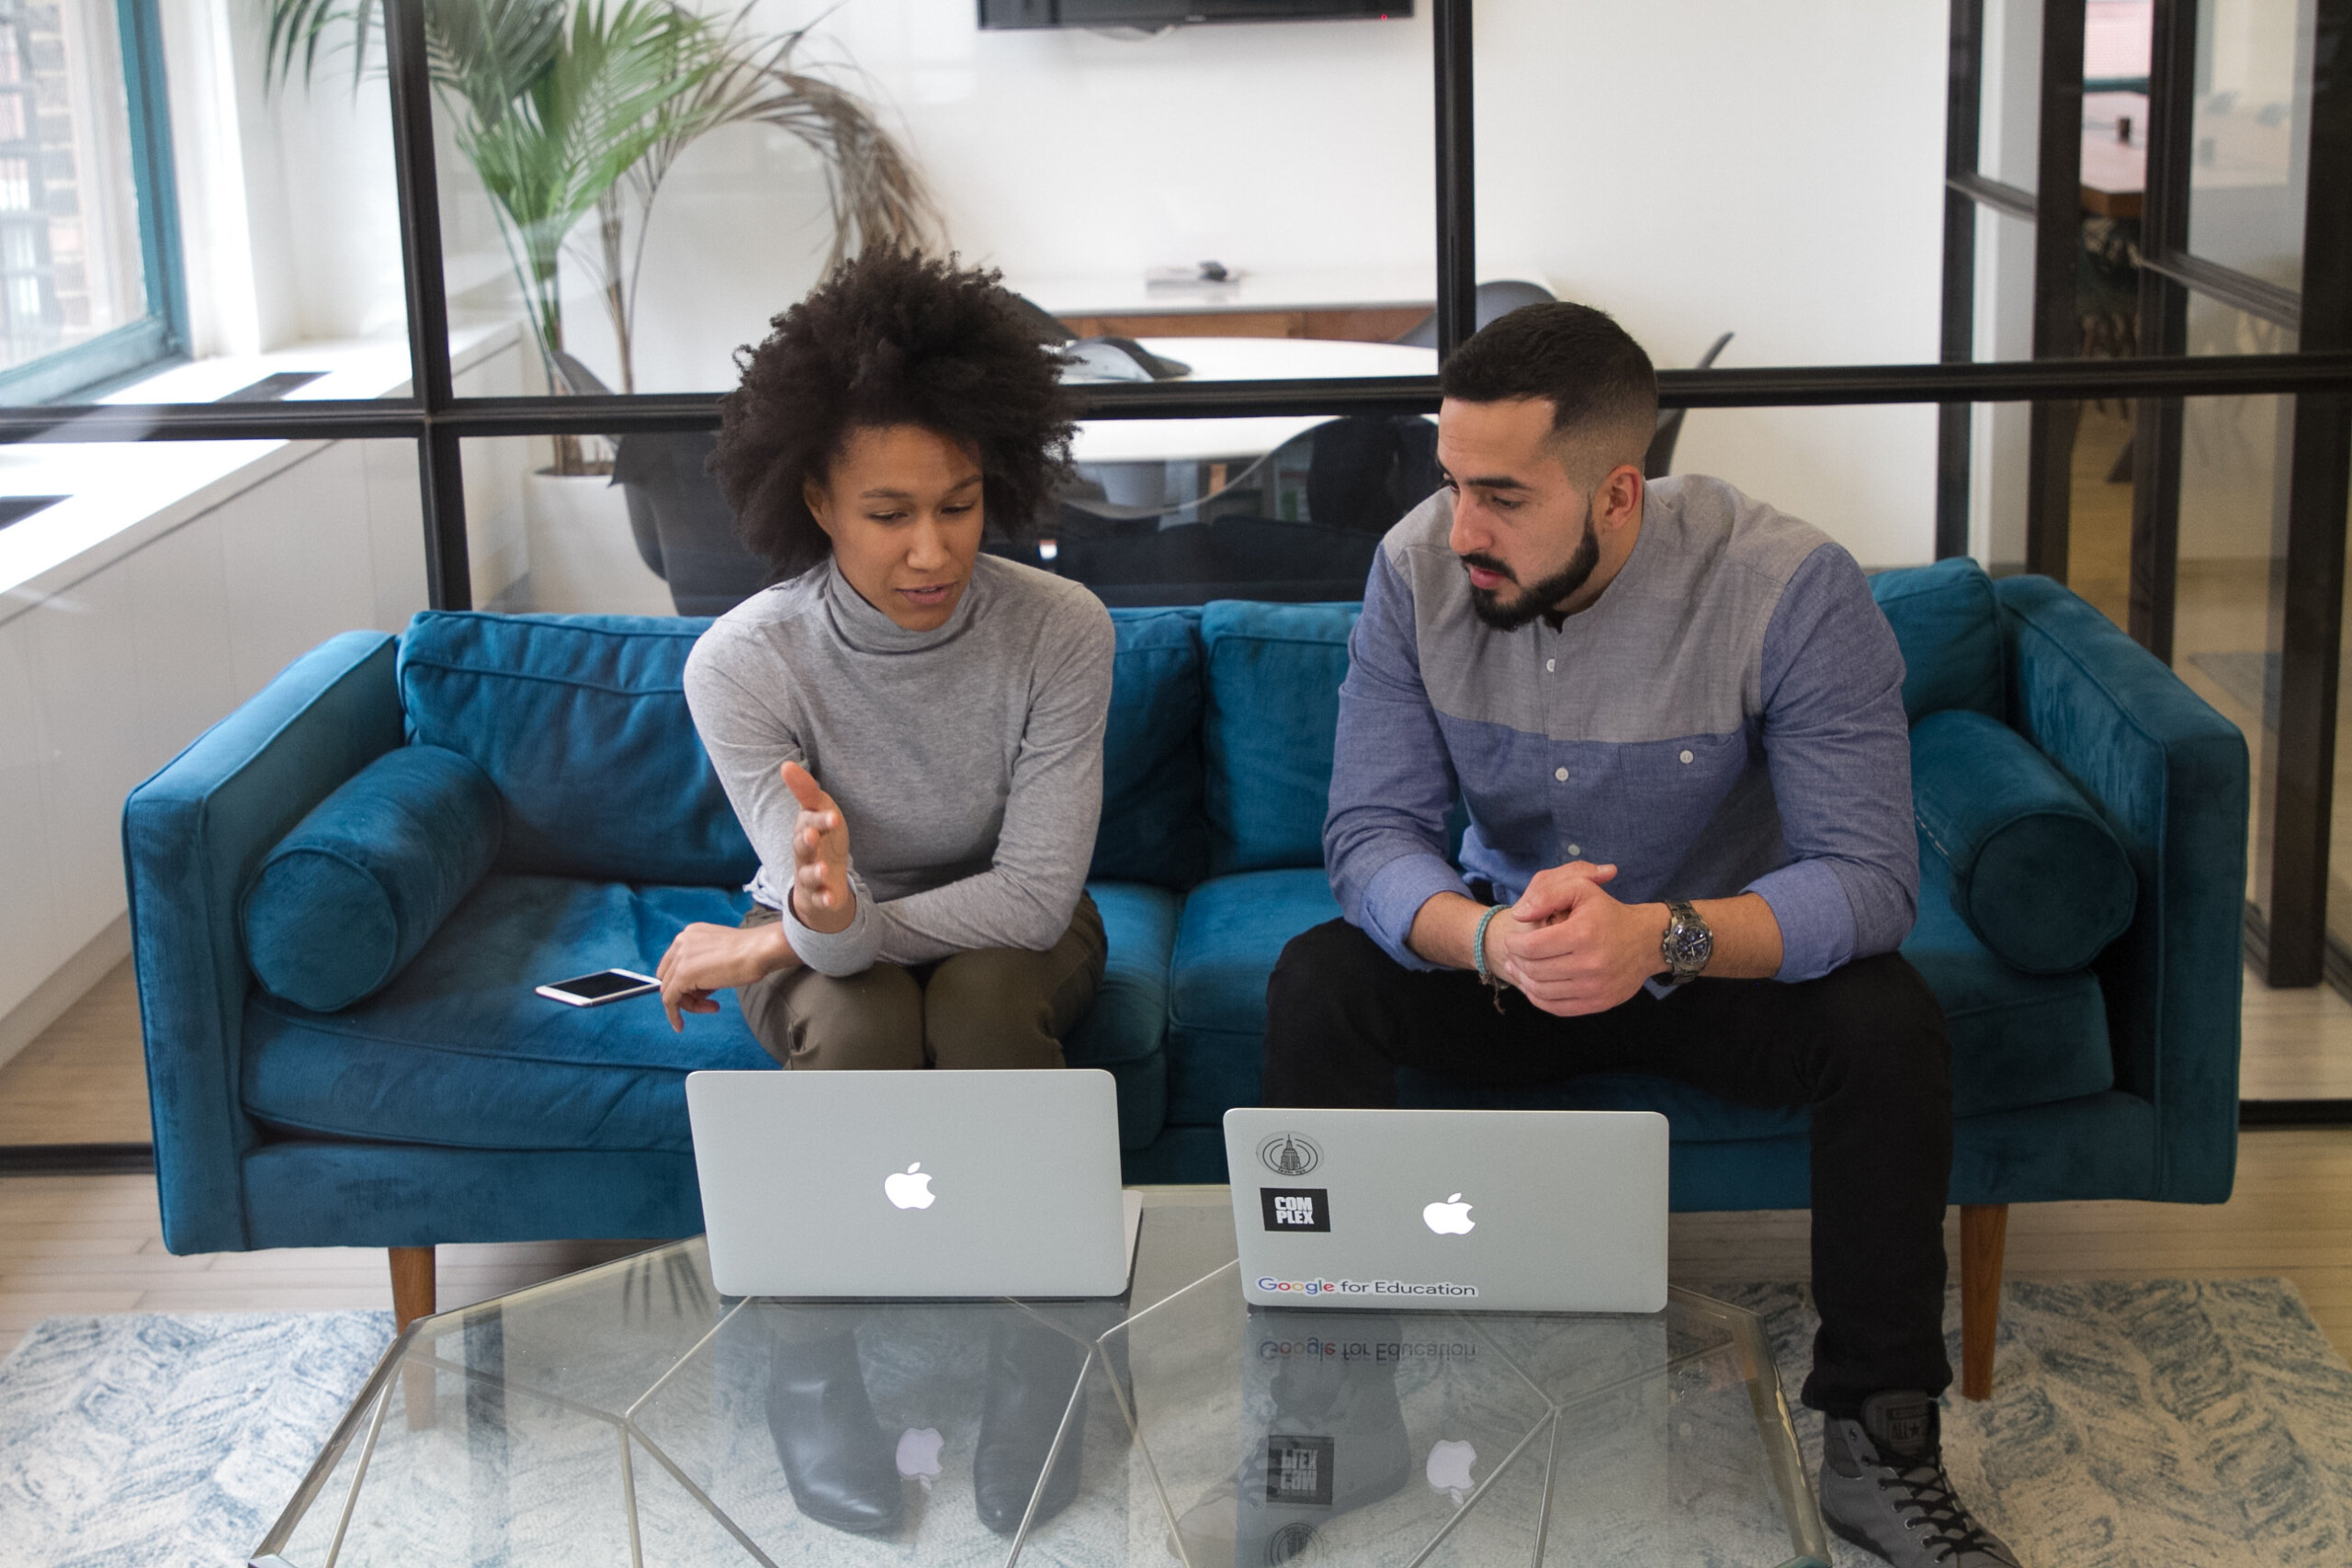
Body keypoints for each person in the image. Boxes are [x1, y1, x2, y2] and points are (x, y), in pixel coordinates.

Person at [1261, 302, 2025, 1568]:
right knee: (1319, 983)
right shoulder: (1412, 572)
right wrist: (1493, 941)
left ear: (1620, 492)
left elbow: (1872, 880)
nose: (1464, 533)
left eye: (1502, 497)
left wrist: (1659, 939)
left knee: (1887, 1018)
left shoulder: (1787, 586)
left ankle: (1880, 1446)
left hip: (1706, 966)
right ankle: (1339, 1410)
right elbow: (1369, 837)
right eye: (1452, 485)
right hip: (1515, 959)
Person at [659, 250, 1116, 1540]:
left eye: (963, 507)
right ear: (814, 496)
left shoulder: (1062, 627)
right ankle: (812, 1378)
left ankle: (1044, 1364)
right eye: (889, 512)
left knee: (973, 1012)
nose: (932, 552)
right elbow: (843, 957)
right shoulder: (742, 665)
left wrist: (778, 949)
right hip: (816, 920)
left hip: (1001, 916)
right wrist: (817, 925)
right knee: (858, 1023)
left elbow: (1031, 901)